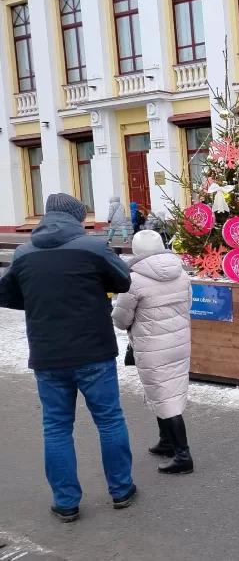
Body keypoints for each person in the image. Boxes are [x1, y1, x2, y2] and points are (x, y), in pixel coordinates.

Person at [0, 193, 137, 523]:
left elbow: (5, 293)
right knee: (109, 420)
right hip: (94, 351)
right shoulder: (91, 247)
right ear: (77, 218)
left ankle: (66, 503)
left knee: (56, 428)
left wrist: (40, 304)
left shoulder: (24, 252)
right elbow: (123, 280)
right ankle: (121, 490)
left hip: (48, 356)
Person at [112, 230, 194, 475]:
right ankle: (166, 440)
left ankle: (183, 455)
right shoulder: (180, 273)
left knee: (163, 396)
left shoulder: (133, 280)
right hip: (179, 342)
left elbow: (121, 319)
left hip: (152, 347)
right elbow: (188, 304)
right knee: (167, 392)